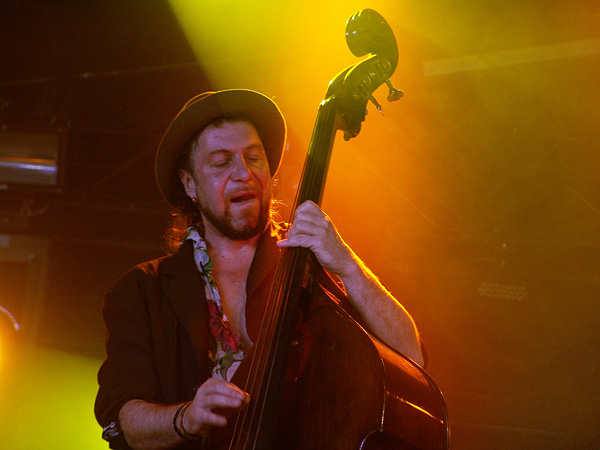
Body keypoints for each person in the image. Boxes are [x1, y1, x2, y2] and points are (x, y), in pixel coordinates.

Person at [95, 89, 425, 450]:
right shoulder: (143, 290)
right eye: (221, 163)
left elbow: (411, 359)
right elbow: (126, 421)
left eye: (254, 158)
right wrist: (188, 417)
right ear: (190, 184)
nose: (243, 174)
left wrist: (346, 264)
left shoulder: (312, 264)